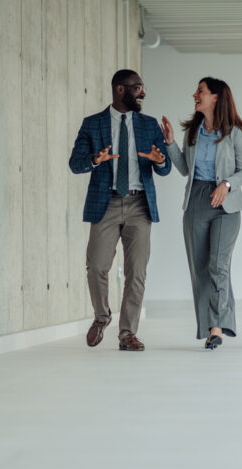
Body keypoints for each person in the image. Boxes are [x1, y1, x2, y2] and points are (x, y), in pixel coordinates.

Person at [69, 69, 171, 351]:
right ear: (120, 90)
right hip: (107, 203)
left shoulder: (149, 125)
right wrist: (94, 159)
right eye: (138, 88)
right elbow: (75, 163)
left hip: (140, 204)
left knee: (136, 272)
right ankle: (102, 316)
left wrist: (160, 161)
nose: (143, 93)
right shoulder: (93, 124)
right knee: (97, 266)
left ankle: (127, 333)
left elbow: (165, 168)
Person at [161, 77, 242, 350]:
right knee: (200, 269)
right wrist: (169, 144)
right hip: (196, 200)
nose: (195, 95)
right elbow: (184, 168)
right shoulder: (193, 131)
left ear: (215, 97)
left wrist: (226, 184)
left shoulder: (235, 132)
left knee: (218, 265)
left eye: (200, 91)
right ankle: (208, 325)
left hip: (226, 204)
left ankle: (218, 327)